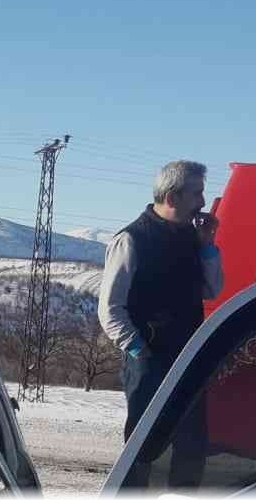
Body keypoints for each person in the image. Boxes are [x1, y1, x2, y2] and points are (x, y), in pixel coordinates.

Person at [99, 160, 223, 487]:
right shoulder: (131, 239)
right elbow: (110, 308)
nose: (203, 201)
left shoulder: (192, 237)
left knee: (192, 444)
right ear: (172, 196)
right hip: (149, 361)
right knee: (145, 448)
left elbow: (213, 289)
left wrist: (207, 244)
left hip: (187, 357)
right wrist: (138, 349)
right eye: (196, 193)